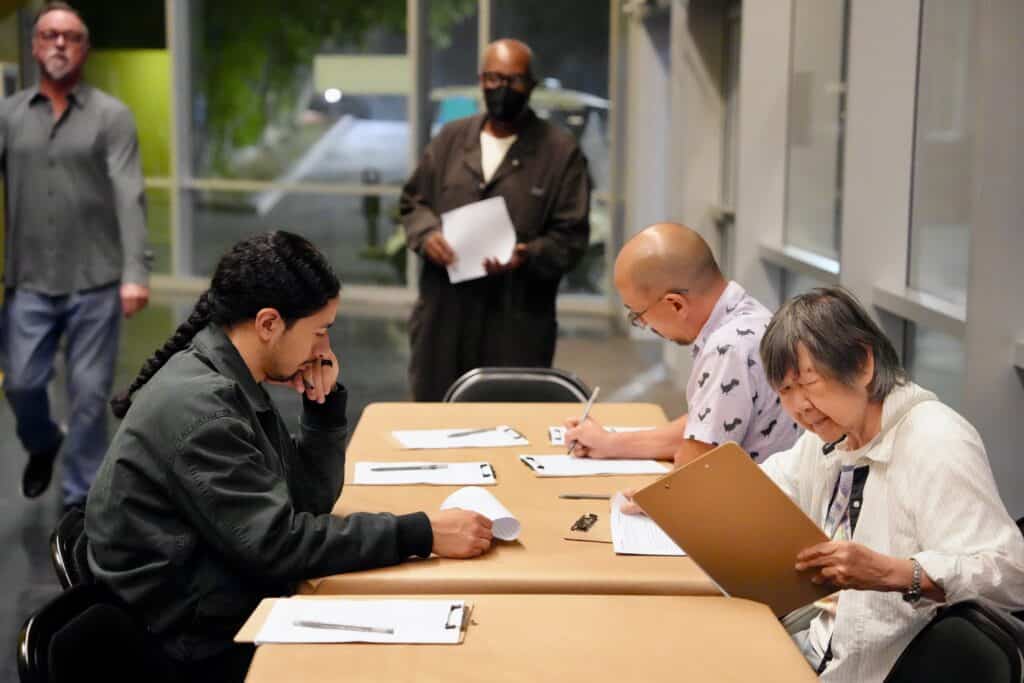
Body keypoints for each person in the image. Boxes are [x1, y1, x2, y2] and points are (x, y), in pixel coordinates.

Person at [86, 232, 494, 682]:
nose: (323, 350)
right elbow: (280, 546)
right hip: (193, 644)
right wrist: (423, 532)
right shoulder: (203, 409)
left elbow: (305, 501)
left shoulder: (230, 376)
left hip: (218, 599)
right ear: (268, 324)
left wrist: (320, 411)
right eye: (319, 332)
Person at [745, 287, 1024, 680]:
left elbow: (1011, 575)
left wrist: (894, 572)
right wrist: (677, 495)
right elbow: (762, 487)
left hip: (876, 666)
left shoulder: (936, 440)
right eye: (785, 391)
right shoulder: (832, 435)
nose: (799, 407)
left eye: (809, 382)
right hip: (813, 642)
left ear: (861, 363)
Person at [0, 2, 150, 511]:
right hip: (28, 281)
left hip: (96, 281)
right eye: (49, 35)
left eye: (70, 36)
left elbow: (130, 193)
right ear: (35, 46)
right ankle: (43, 442)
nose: (59, 44)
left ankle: (79, 504)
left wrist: (135, 273)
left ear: (85, 48)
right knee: (21, 384)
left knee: (89, 398)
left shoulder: (112, 116)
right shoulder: (9, 116)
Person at [400, 38, 591, 401]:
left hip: (516, 319)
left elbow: (572, 238)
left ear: (531, 85)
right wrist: (427, 235)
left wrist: (528, 254)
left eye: (514, 80)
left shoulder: (560, 152)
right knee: (433, 421)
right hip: (444, 317)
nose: (502, 89)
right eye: (493, 78)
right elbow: (414, 202)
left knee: (511, 423)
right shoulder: (451, 140)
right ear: (481, 80)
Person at [565, 222, 798, 465]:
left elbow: (695, 466)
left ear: (675, 304)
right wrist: (608, 443)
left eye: (638, 314)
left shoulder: (728, 347)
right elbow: (703, 427)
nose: (643, 323)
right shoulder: (748, 315)